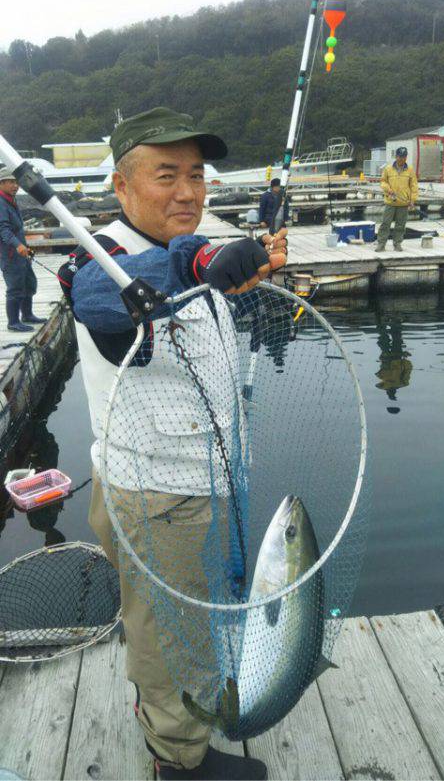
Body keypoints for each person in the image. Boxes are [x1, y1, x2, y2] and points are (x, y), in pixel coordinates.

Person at [60, 107, 288, 781]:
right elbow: (104, 293)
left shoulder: (189, 244)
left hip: (191, 484)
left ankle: (161, 714)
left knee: (166, 617)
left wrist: (234, 270)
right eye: (167, 175)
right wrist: (205, 258)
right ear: (122, 187)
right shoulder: (96, 260)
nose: (188, 190)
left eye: (197, 173)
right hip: (159, 497)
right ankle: (179, 761)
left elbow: (190, 271)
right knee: (170, 636)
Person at [0, 167, 46, 332]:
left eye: (16, 182)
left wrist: (24, 246)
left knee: (29, 282)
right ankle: (13, 322)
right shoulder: (1, 202)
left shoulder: (11, 199)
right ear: (2, 183)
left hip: (21, 252)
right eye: (11, 182)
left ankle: (27, 315)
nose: (15, 186)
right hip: (10, 254)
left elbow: (17, 227)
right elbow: (3, 230)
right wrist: (18, 245)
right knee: (15, 287)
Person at [375, 147, 418, 253]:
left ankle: (397, 243)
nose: (402, 159)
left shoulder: (410, 170)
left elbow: (414, 186)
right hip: (390, 201)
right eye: (400, 156)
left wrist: (412, 200)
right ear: (396, 156)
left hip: (404, 203)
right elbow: (383, 182)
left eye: (404, 156)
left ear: (406, 157)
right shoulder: (388, 169)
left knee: (400, 225)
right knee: (385, 223)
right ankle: (381, 244)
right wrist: (389, 190)